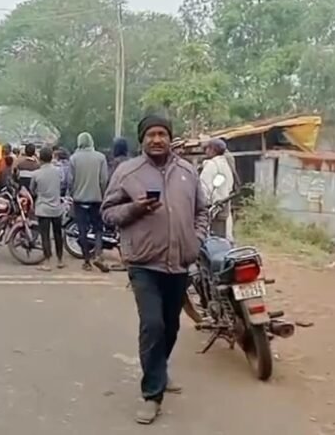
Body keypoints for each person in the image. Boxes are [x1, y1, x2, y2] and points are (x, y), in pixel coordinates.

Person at [102, 114, 208, 425]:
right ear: (142, 140)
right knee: (153, 325)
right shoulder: (127, 172)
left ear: (170, 137)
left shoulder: (188, 171)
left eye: (162, 133)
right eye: (151, 134)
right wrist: (134, 208)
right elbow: (107, 213)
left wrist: (197, 239)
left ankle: (159, 368)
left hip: (179, 262)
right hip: (143, 263)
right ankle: (152, 395)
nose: (157, 139)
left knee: (171, 326)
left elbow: (201, 211)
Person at [70, 132, 110, 273]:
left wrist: (72, 193)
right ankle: (98, 255)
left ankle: (86, 261)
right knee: (98, 228)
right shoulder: (100, 157)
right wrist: (103, 194)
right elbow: (104, 179)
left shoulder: (73, 158)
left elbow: (70, 180)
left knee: (82, 230)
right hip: (96, 199)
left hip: (79, 199)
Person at [30, 147, 65, 271]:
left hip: (43, 207)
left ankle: (48, 262)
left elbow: (32, 190)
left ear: (40, 158)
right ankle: (60, 260)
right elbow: (62, 184)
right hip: (57, 208)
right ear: (51, 157)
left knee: (45, 235)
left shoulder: (36, 174)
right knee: (58, 234)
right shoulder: (58, 172)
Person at [200, 138, 235, 239]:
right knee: (225, 236)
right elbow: (230, 185)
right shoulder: (226, 164)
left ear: (212, 150)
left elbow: (204, 187)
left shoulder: (211, 165)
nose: (206, 151)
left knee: (211, 238)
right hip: (225, 204)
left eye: (207, 148)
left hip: (213, 207)